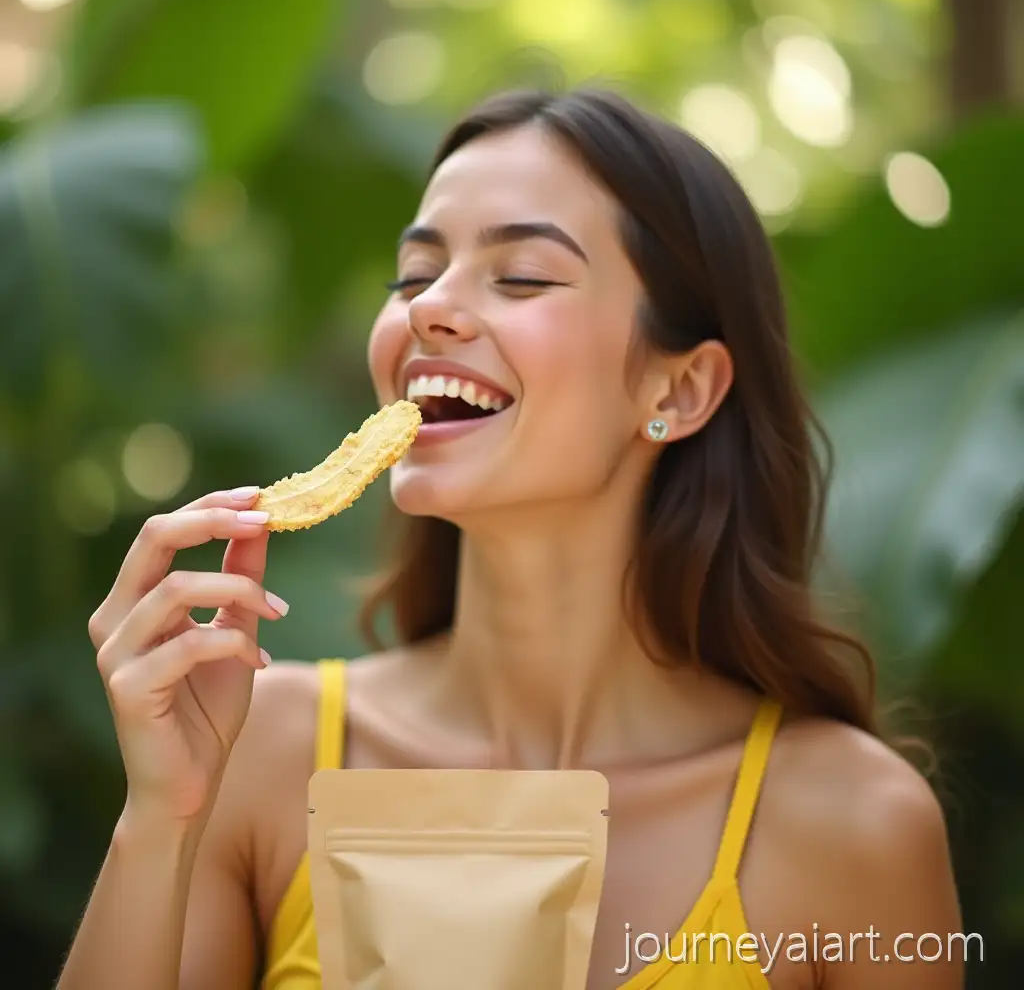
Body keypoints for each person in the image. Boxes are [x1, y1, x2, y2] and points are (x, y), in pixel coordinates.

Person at [58, 87, 964, 990]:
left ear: (680, 390)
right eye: (413, 276)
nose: (427, 308)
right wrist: (162, 822)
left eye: (523, 276)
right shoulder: (261, 748)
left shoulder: (856, 825)